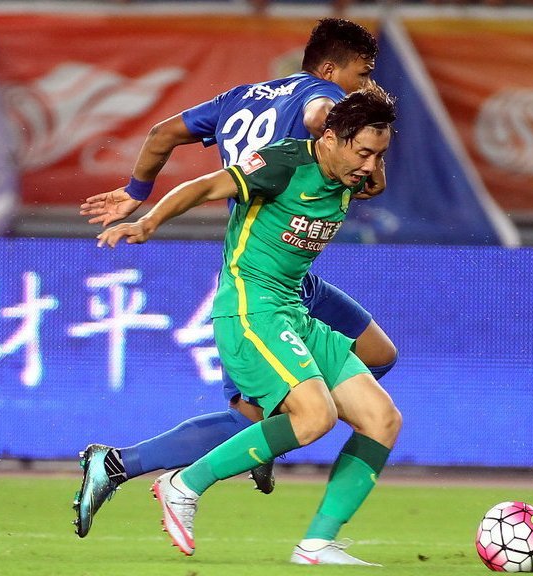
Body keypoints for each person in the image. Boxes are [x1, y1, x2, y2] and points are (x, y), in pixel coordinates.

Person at [73, 18, 398, 539]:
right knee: (268, 417)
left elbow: (163, 134)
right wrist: (358, 120)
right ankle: (123, 464)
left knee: (376, 357)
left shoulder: (241, 98)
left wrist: (137, 190)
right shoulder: (325, 106)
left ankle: (279, 431)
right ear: (331, 69)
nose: (364, 86)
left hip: (291, 272)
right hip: (260, 271)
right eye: (362, 75)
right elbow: (320, 116)